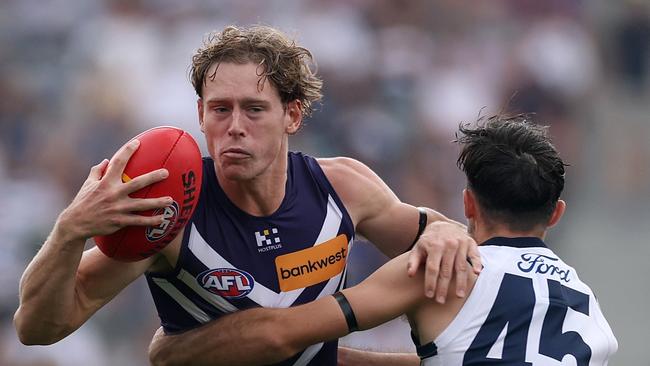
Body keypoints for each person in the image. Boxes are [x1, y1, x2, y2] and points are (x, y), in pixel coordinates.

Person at [14, 25, 481, 365]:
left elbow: (452, 243)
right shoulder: (171, 211)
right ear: (200, 114)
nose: (234, 126)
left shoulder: (343, 186)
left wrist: (446, 235)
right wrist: (69, 231)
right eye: (220, 109)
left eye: (254, 109)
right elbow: (37, 328)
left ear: (292, 116)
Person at [149, 115, 618, 365]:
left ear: (467, 205)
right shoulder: (587, 305)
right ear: (556, 213)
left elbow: (278, 334)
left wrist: (174, 352)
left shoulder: (439, 274)